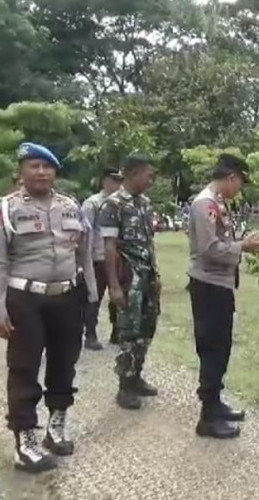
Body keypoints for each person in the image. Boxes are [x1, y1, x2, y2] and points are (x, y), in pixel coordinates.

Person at [0, 143, 98, 473]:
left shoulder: (71, 206)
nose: (41, 172)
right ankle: (25, 441)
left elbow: (84, 252)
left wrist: (91, 294)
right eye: (34, 166)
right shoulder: (7, 209)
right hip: (24, 299)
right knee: (24, 368)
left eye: (47, 167)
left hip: (66, 297)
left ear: (55, 171)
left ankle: (56, 427)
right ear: (22, 171)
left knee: (64, 363)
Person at [188, 154, 259, 439]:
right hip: (208, 286)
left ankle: (216, 403)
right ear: (231, 177)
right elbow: (210, 248)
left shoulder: (218, 203)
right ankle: (207, 417)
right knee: (211, 349)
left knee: (221, 348)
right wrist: (241, 246)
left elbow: (222, 242)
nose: (239, 190)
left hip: (220, 285)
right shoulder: (205, 204)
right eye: (240, 184)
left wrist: (240, 244)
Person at [98, 156, 160, 411]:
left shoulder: (145, 204)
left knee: (147, 328)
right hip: (128, 279)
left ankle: (136, 376)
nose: (151, 180)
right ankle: (125, 386)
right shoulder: (113, 205)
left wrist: (156, 276)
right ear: (133, 174)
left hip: (148, 278)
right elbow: (109, 248)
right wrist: (113, 286)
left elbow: (149, 243)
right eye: (148, 175)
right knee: (129, 330)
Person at [81, 167, 123, 350]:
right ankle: (90, 334)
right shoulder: (93, 203)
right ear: (105, 180)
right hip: (97, 257)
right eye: (114, 180)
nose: (118, 184)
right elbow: (85, 232)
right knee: (94, 297)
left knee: (119, 296)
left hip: (118, 257)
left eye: (120, 180)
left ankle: (117, 331)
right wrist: (85, 261)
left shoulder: (122, 202)